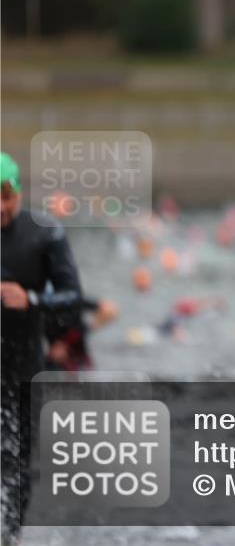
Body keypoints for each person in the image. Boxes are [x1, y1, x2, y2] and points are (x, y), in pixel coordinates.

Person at [1, 152, 84, 544]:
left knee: (17, 461)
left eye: (5, 196)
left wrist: (31, 299)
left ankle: (11, 537)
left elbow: (72, 296)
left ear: (18, 193)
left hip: (23, 367)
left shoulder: (44, 233)